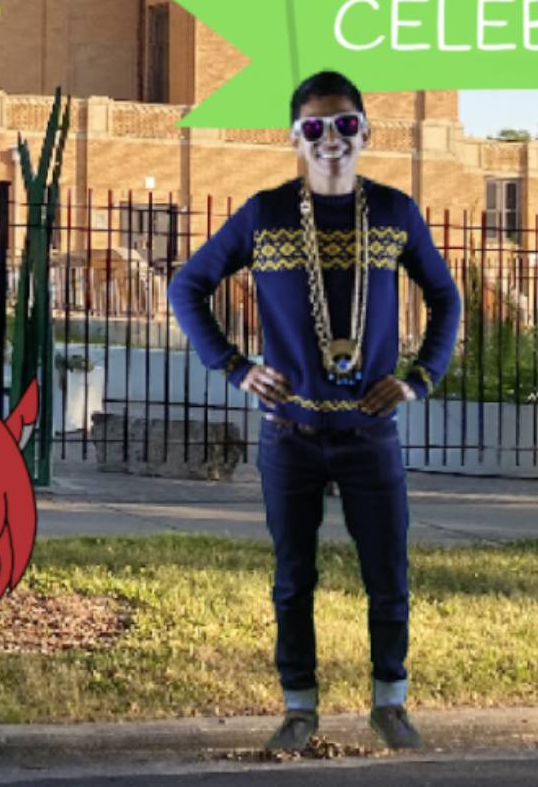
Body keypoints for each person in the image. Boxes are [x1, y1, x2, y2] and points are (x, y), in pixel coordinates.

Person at [168, 71, 460, 752]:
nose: (332, 140)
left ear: (366, 132)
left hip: (370, 432)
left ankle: (391, 701)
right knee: (293, 577)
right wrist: (235, 367)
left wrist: (420, 377)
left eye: (346, 125)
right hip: (289, 433)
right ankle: (299, 707)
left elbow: (446, 298)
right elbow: (188, 285)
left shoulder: (393, 212)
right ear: (294, 138)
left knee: (388, 572)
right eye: (316, 128)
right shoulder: (266, 213)